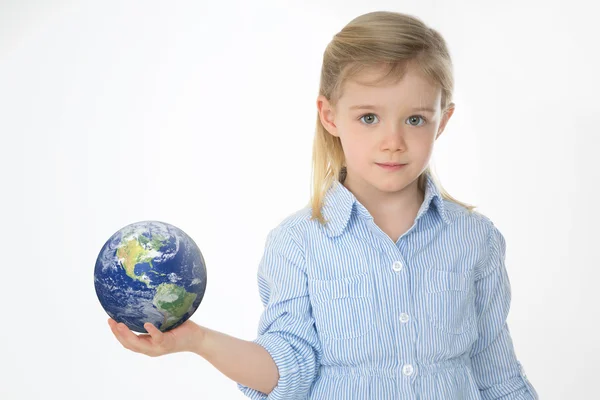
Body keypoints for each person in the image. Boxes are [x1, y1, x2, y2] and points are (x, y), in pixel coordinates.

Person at [108, 10, 539, 399]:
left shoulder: (475, 239)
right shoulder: (297, 244)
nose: (393, 141)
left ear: (442, 120)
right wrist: (197, 340)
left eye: (415, 119)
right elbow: (287, 369)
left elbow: (496, 376)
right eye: (368, 117)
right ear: (330, 116)